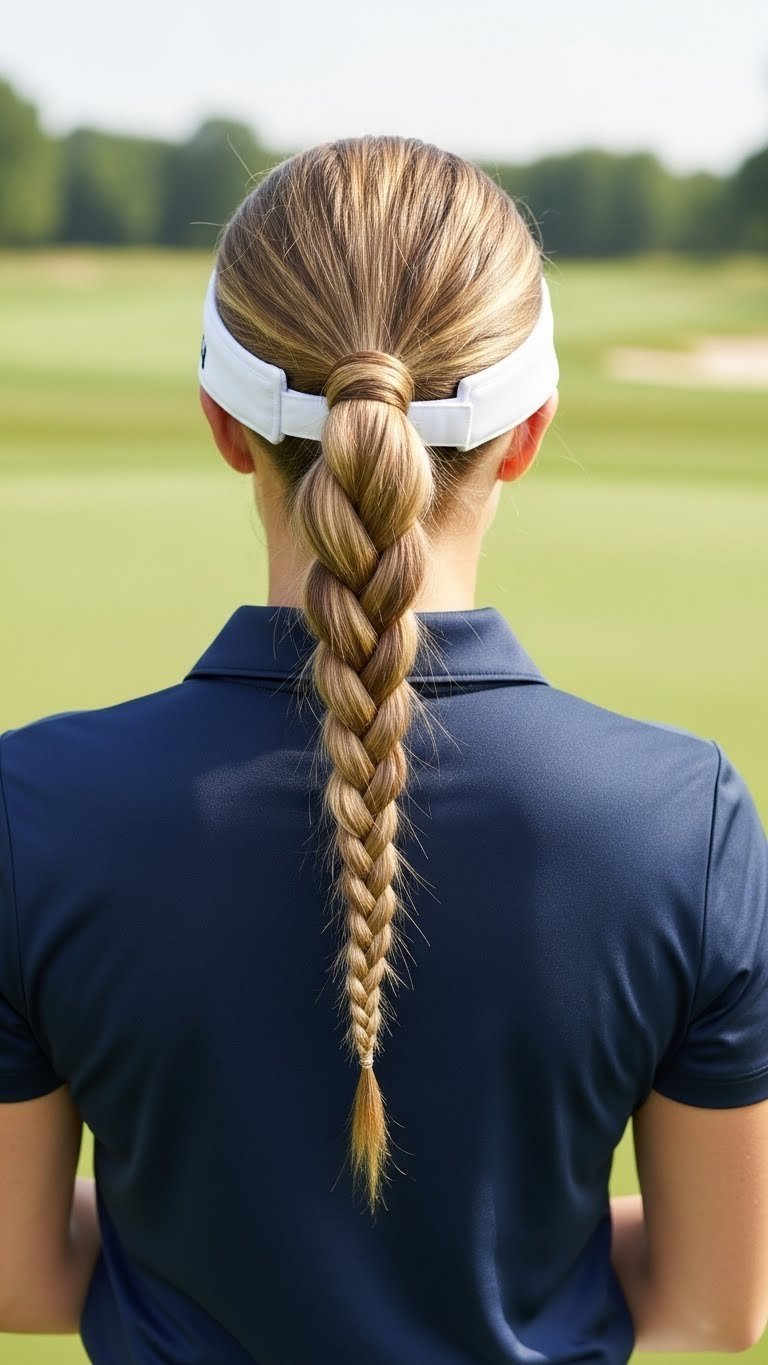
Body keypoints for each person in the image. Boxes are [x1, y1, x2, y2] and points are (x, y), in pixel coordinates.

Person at [0, 134, 767, 1365]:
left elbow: (21, 1276)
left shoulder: (30, 809)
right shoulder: (690, 820)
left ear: (221, 422)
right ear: (526, 432)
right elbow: (714, 1309)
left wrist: (193, 1236)